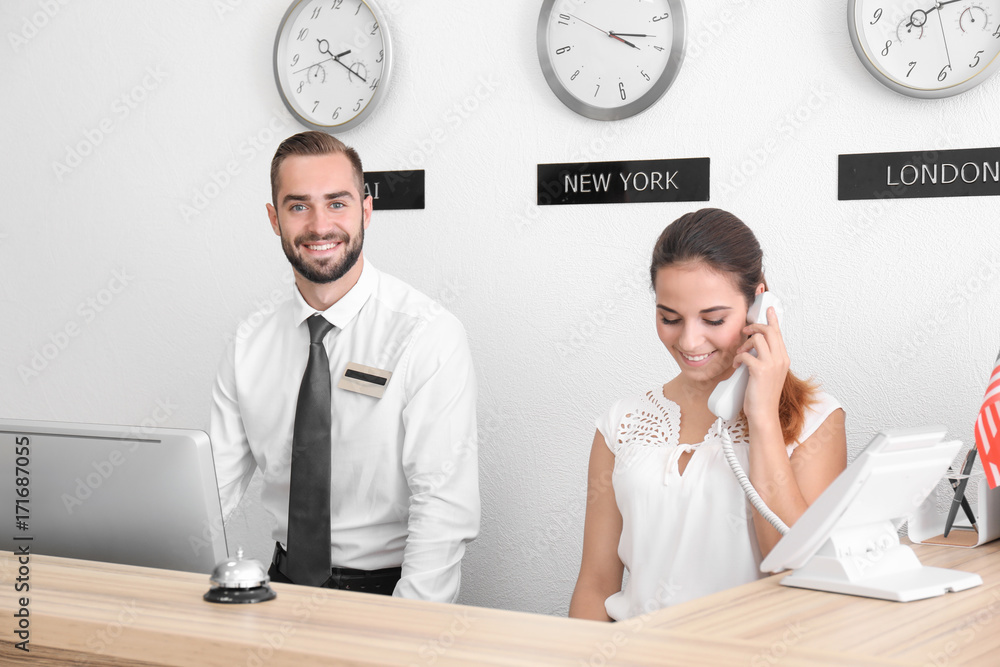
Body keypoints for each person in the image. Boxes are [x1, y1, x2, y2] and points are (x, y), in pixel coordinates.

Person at [210, 131, 479, 602]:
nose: (319, 225)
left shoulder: (427, 334)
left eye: (337, 204)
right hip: (280, 591)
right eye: (298, 206)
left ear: (366, 210)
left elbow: (442, 507)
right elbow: (210, 491)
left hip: (388, 594)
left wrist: (404, 633)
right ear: (274, 219)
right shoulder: (248, 343)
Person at [569, 208, 847, 621]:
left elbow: (795, 566)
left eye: (713, 319)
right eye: (670, 318)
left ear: (759, 304)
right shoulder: (620, 424)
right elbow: (595, 583)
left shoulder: (817, 421)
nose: (689, 340)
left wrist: (763, 418)